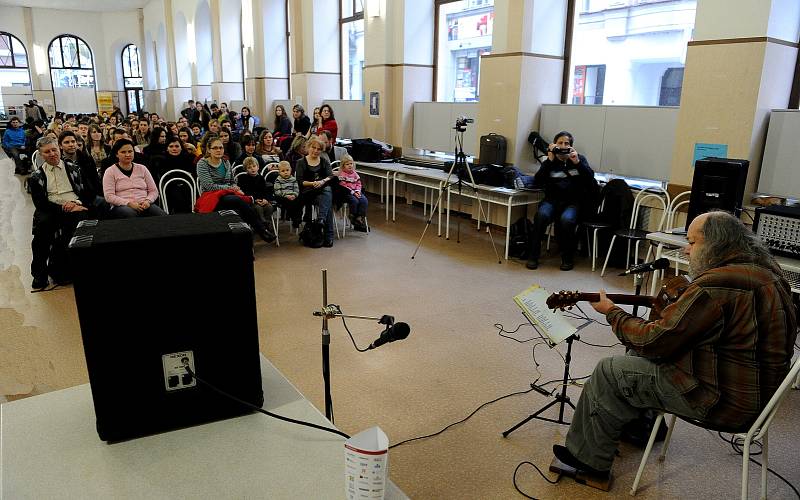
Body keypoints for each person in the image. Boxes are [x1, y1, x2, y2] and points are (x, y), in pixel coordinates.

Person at [552, 211, 798, 482]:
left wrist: (612, 312)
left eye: (692, 243)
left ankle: (588, 464)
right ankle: (640, 427)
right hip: (758, 398)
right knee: (636, 353)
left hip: (724, 403)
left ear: (716, 244)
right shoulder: (768, 272)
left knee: (610, 370)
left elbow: (652, 340)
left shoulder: (716, 285)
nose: (687, 249)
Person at [27, 137, 95, 289]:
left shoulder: (74, 168)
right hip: (51, 208)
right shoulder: (37, 176)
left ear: (59, 149)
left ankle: (65, 270)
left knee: (75, 228)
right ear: (40, 154)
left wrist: (76, 204)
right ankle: (40, 274)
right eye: (47, 152)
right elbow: (40, 203)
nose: (52, 154)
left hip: (76, 205)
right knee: (41, 236)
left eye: (54, 150)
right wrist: (63, 207)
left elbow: (88, 192)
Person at [525, 131, 597, 271]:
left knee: (567, 220)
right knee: (541, 216)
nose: (563, 146)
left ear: (571, 147)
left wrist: (577, 163)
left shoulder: (579, 159)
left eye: (567, 143)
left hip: (572, 203)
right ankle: (533, 256)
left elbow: (590, 179)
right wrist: (549, 161)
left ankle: (567, 258)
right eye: (560, 143)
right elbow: (538, 180)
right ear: (554, 145)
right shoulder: (550, 161)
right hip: (551, 201)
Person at [196, 136, 276, 243]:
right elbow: (209, 186)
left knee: (240, 207)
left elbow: (232, 181)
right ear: (209, 149)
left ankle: (245, 240)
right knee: (238, 201)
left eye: (221, 147)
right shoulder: (202, 163)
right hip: (212, 197)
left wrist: (234, 187)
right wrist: (230, 188)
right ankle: (261, 230)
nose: (219, 150)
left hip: (229, 196)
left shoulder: (225, 162)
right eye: (215, 148)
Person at [102, 139, 165, 218]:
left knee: (162, 216)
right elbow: (109, 196)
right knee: (130, 214)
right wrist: (128, 203)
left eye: (130, 151)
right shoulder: (110, 171)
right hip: (122, 206)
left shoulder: (142, 168)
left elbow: (153, 191)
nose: (128, 155)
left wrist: (148, 201)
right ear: (116, 154)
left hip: (144, 203)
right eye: (123, 152)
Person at [295, 135, 336, 246]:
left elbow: (331, 176)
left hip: (322, 190)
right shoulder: (301, 162)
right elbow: (300, 181)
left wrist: (322, 181)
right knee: (327, 200)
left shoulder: (323, 161)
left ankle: (321, 220)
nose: (316, 151)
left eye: (319, 149)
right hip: (308, 192)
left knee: (326, 195)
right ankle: (329, 236)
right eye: (314, 147)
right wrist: (313, 183)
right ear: (308, 147)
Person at [237, 157, 274, 227]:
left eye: (254, 166)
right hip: (252, 201)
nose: (252, 169)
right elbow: (245, 192)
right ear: (246, 169)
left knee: (269, 207)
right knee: (258, 208)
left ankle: (266, 223)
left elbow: (265, 191)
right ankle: (262, 224)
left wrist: (265, 199)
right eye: (249, 167)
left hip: (262, 200)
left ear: (258, 167)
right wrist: (255, 199)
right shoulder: (243, 179)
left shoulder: (261, 178)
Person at [336, 154, 367, 232]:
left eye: (351, 163)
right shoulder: (342, 175)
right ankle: (352, 216)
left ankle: (359, 217)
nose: (350, 166)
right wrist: (353, 192)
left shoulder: (355, 174)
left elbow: (359, 184)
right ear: (343, 166)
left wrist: (358, 191)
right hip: (347, 193)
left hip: (356, 191)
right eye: (347, 164)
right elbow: (344, 186)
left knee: (364, 200)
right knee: (354, 201)